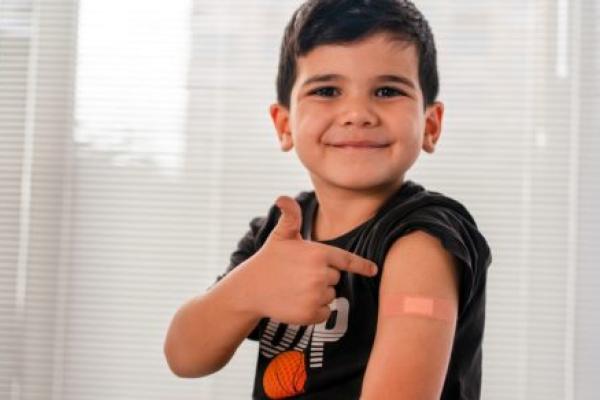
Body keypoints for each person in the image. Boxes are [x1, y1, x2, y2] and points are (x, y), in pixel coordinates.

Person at [164, 0, 492, 399]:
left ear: (431, 125)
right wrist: (245, 290)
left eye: (387, 91)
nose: (357, 113)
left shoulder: (422, 240)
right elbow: (185, 356)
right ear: (284, 125)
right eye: (327, 90)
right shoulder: (279, 233)